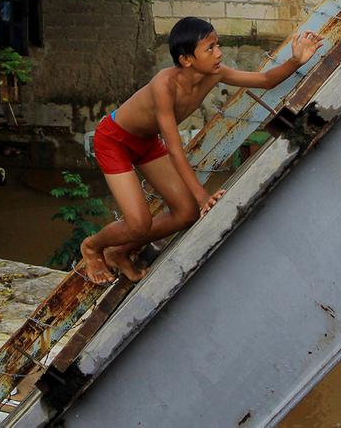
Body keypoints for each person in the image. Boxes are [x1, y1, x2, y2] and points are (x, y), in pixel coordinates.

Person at [80, 16, 324, 283]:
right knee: (139, 223)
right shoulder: (164, 85)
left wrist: (297, 60)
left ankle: (119, 251)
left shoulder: (214, 73)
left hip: (146, 141)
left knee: (186, 214)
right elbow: (174, 148)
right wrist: (202, 196)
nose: (219, 53)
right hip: (114, 140)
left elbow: (264, 79)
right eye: (210, 48)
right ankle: (92, 247)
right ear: (187, 59)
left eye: (217, 45)